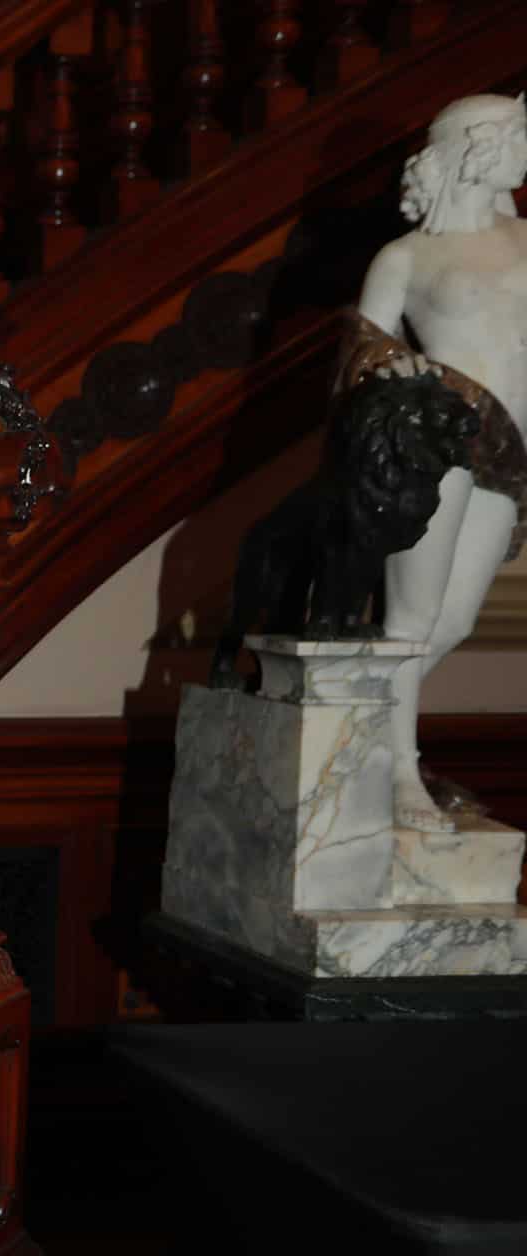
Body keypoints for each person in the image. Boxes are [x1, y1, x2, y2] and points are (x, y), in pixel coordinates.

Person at [350, 92, 527, 829]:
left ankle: (342, 728)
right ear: (478, 147)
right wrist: (388, 372)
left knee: (452, 621)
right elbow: (362, 349)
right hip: (437, 435)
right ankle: (397, 773)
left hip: (511, 446)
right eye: (518, 137)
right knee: (411, 617)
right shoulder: (407, 255)